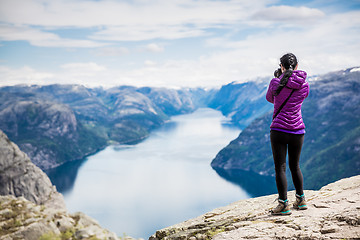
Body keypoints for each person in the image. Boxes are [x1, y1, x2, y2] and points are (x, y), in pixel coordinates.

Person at [266, 53, 310, 215]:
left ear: (282, 67)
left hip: (278, 130)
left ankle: (284, 204)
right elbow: (301, 98)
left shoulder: (275, 83)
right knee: (295, 166)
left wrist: (280, 78)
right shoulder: (304, 85)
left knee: (280, 168)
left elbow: (270, 98)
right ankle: (301, 199)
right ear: (297, 66)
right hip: (298, 130)